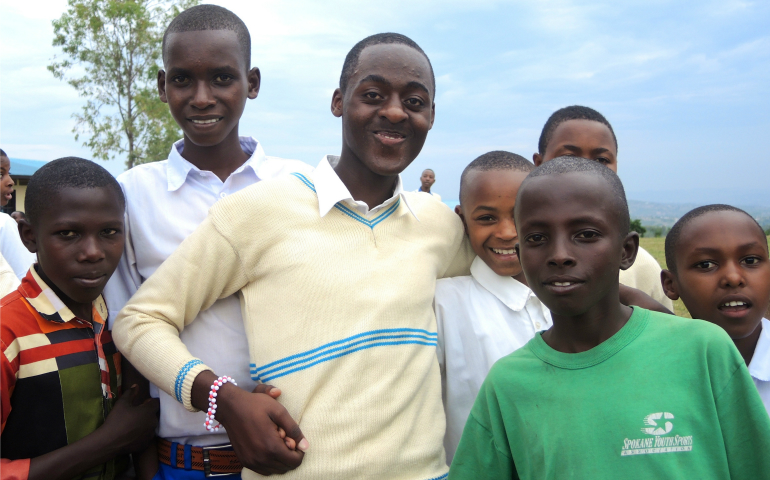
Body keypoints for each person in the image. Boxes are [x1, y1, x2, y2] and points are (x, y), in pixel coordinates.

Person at [113, 33, 473, 480]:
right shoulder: (258, 211)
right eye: (374, 95)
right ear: (339, 102)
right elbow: (139, 321)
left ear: (431, 116)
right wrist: (224, 399)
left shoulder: (439, 225)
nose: (396, 111)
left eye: (415, 101)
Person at [449, 156, 770, 479]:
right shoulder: (508, 384)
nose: (559, 254)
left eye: (586, 234)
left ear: (626, 251)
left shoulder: (703, 350)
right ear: (521, 255)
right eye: (536, 238)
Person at [102, 5, 311, 479]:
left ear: (251, 83)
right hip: (186, 462)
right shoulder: (132, 195)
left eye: (221, 78)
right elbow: (127, 333)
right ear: (161, 86)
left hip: (299, 452)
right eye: (182, 80)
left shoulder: (300, 185)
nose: (201, 98)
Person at [1, 157, 159, 480]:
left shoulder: (119, 322)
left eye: (109, 232)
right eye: (69, 234)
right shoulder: (9, 334)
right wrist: (107, 443)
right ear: (29, 236)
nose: (93, 252)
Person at [435, 151, 551, 464]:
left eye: (520, 216)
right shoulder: (443, 305)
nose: (507, 232)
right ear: (462, 219)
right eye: (486, 218)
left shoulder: (567, 302)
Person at [533, 106, 673, 311]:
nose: (587, 170)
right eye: (569, 158)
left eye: (602, 160)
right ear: (538, 164)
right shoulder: (513, 256)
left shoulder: (641, 267)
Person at [661, 204, 770, 414]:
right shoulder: (653, 373)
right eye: (706, 265)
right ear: (670, 285)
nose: (733, 278)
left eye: (750, 260)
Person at [0, 149, 35, 279]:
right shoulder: (3, 224)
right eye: (0, 174)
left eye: (9, 173)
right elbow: (25, 279)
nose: (10, 181)